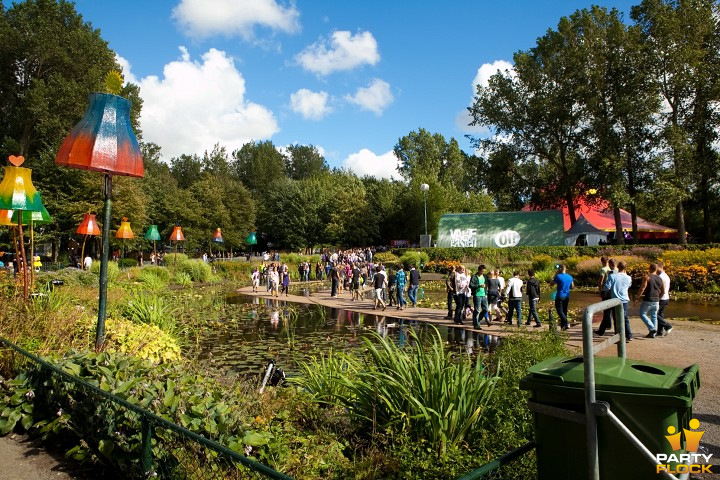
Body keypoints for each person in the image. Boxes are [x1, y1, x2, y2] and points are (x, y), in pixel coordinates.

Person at [597, 261, 633, 341]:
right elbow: (629, 285)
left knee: (616, 319)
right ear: (625, 268)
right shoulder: (628, 278)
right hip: (625, 300)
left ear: (618, 267)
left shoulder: (612, 276)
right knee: (625, 318)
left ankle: (618, 336)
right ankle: (629, 335)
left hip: (615, 300)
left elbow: (606, 287)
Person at [635, 263, 664, 338]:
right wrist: (659, 298)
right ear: (656, 269)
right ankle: (653, 334)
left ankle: (652, 328)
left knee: (642, 314)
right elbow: (663, 291)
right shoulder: (660, 279)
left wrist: (637, 298)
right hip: (656, 300)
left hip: (648, 299)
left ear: (650, 268)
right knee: (654, 316)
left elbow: (642, 288)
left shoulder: (647, 277)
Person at [549, 264, 574, 330]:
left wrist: (555, 274)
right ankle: (563, 327)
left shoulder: (558, 276)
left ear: (560, 269)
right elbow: (572, 287)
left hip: (559, 295)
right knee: (564, 311)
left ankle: (566, 322)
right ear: (565, 269)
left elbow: (551, 284)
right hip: (567, 296)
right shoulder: (570, 277)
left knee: (559, 310)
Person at [597, 258, 617, 334]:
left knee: (606, 310)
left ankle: (603, 328)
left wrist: (600, 290)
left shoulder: (603, 270)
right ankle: (608, 325)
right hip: (613, 291)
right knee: (612, 310)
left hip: (606, 291)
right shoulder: (613, 269)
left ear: (602, 262)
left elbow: (601, 281)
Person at [656, 262, 673, 336]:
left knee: (654, 314)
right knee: (660, 314)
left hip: (662, 298)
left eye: (657, 268)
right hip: (666, 297)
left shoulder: (660, 277)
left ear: (660, 267)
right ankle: (660, 331)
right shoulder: (666, 276)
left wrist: (657, 298)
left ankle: (667, 326)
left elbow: (660, 289)